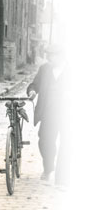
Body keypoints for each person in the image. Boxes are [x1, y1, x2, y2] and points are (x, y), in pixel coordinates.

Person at [27, 44, 68, 185]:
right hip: (48, 113)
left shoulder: (72, 70)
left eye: (52, 55)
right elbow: (34, 85)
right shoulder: (44, 69)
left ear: (61, 56)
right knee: (45, 141)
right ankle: (49, 167)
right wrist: (32, 91)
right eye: (48, 55)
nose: (49, 58)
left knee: (67, 144)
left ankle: (62, 177)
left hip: (66, 115)